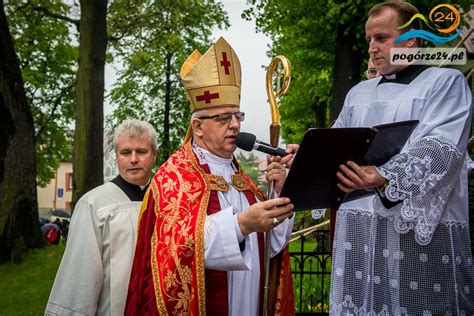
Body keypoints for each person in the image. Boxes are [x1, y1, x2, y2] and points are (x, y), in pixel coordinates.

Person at [125, 37, 295, 315]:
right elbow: (175, 252)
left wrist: (280, 195)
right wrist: (241, 225)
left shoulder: (245, 181)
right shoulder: (173, 179)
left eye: (237, 115)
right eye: (223, 118)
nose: (236, 125)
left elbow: (271, 249)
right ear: (198, 127)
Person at [328, 1, 474, 314]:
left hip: (418, 245)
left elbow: (440, 147)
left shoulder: (445, 84)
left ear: (411, 41)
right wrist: (308, 156)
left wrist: (387, 176)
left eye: (381, 38)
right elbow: (336, 143)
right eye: (369, 39)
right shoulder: (358, 94)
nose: (371, 48)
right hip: (364, 233)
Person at [45, 119, 158, 316]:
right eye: (125, 152)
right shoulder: (94, 204)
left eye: (141, 152)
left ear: (154, 155)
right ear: (116, 156)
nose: (133, 159)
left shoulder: (168, 201)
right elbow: (81, 273)